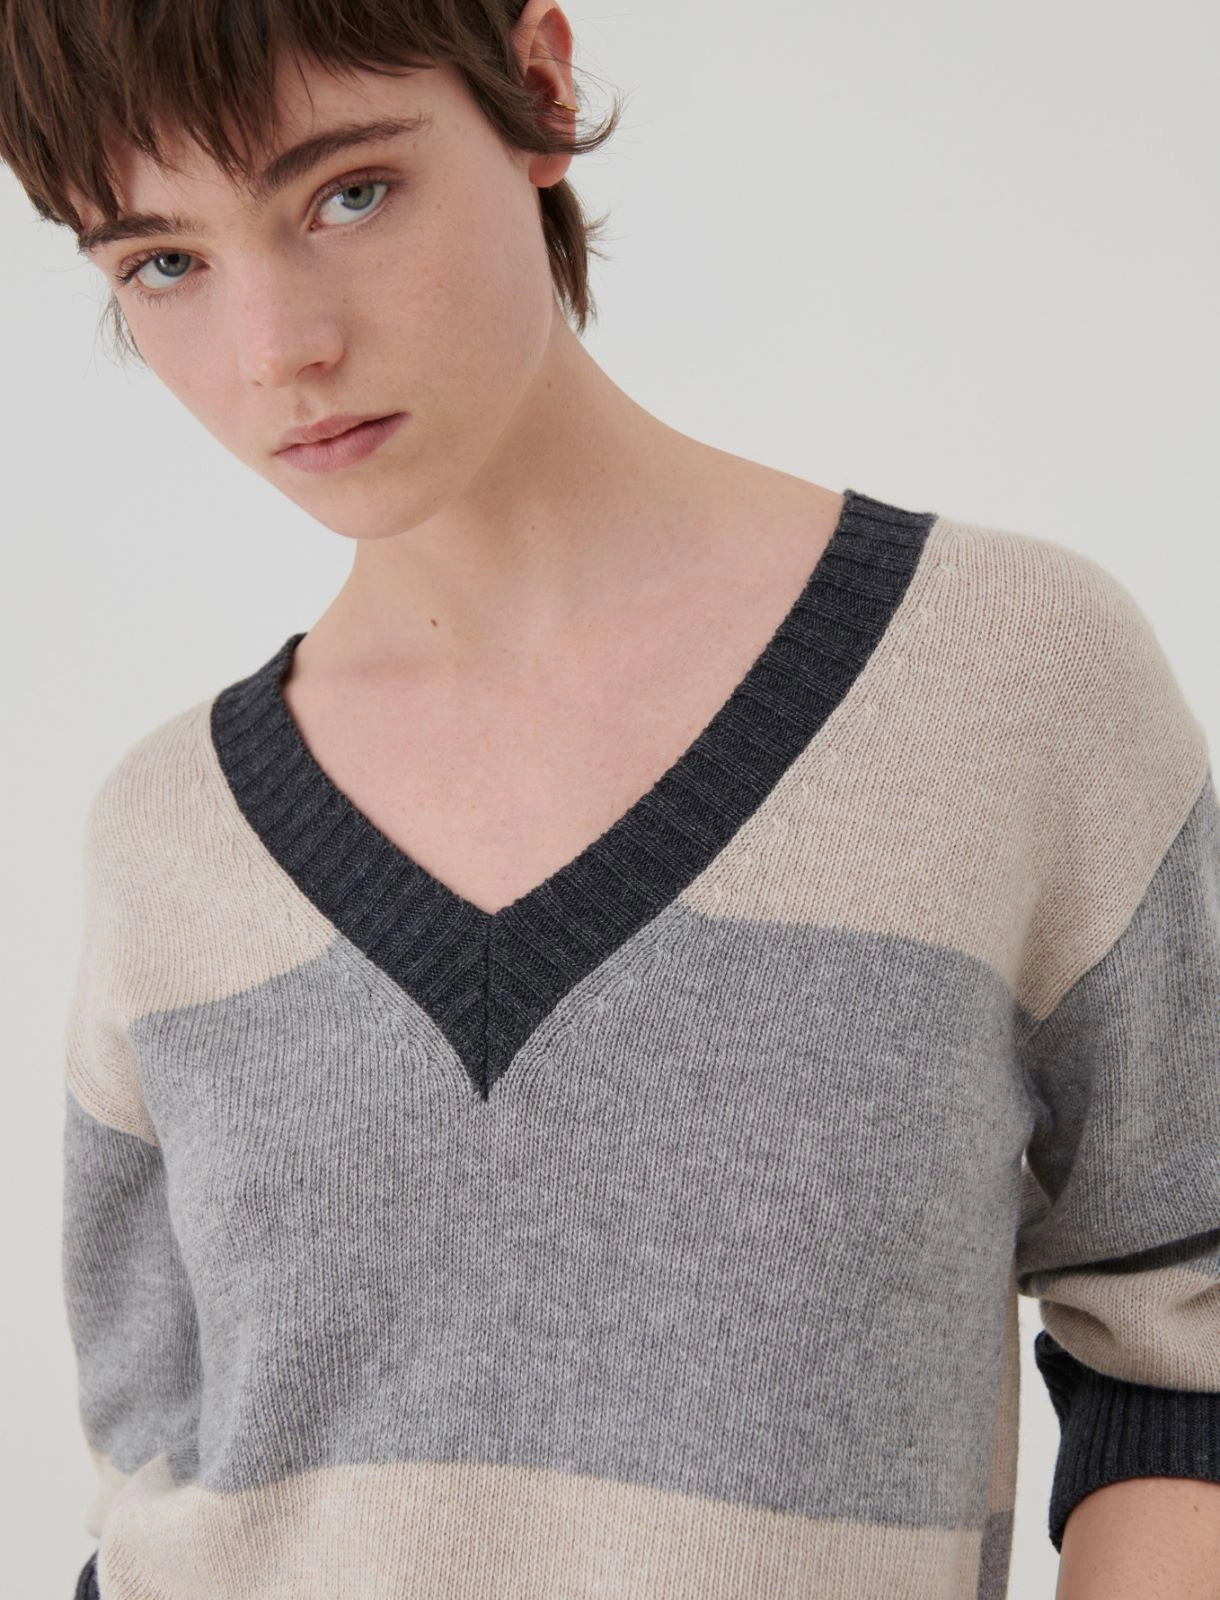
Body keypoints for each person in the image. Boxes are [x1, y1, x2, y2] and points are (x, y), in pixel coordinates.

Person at [2, 1, 1217, 1596]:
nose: (275, 348)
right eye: (164, 262)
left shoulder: (1009, 680)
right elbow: (155, 1486)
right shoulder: (169, 832)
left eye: (348, 193)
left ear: (538, 86)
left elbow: (1186, 1350)